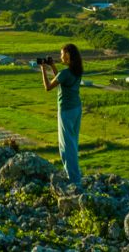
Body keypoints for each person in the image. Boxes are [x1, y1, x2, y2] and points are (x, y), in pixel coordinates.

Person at [40, 42, 84, 187]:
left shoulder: (65, 73)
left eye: (62, 54)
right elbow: (61, 80)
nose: (61, 56)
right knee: (73, 141)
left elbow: (47, 87)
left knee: (66, 145)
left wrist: (42, 69)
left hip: (66, 110)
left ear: (68, 55)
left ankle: (73, 178)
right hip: (77, 108)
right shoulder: (76, 71)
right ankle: (73, 173)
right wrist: (52, 67)